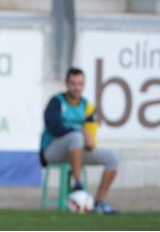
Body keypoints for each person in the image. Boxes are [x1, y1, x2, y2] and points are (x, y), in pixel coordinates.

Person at [40, 67, 120, 215]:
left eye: (80, 84)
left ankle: (99, 203)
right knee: (75, 137)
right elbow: (55, 128)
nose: (76, 87)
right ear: (66, 84)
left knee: (113, 158)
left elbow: (91, 136)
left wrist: (90, 142)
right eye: (73, 83)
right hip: (53, 150)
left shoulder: (87, 106)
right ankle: (78, 184)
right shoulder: (56, 102)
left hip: (76, 150)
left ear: (84, 85)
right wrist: (81, 131)